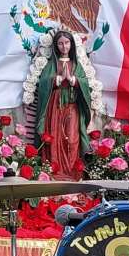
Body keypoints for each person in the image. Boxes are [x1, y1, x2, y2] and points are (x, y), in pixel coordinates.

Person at [34, 29, 92, 179]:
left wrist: (73, 80)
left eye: (67, 43)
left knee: (72, 139)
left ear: (71, 44)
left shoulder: (76, 65)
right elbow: (43, 84)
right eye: (60, 43)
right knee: (55, 137)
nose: (64, 46)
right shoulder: (51, 65)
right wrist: (58, 79)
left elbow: (85, 84)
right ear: (56, 46)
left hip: (72, 106)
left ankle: (71, 173)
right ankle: (55, 172)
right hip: (55, 107)